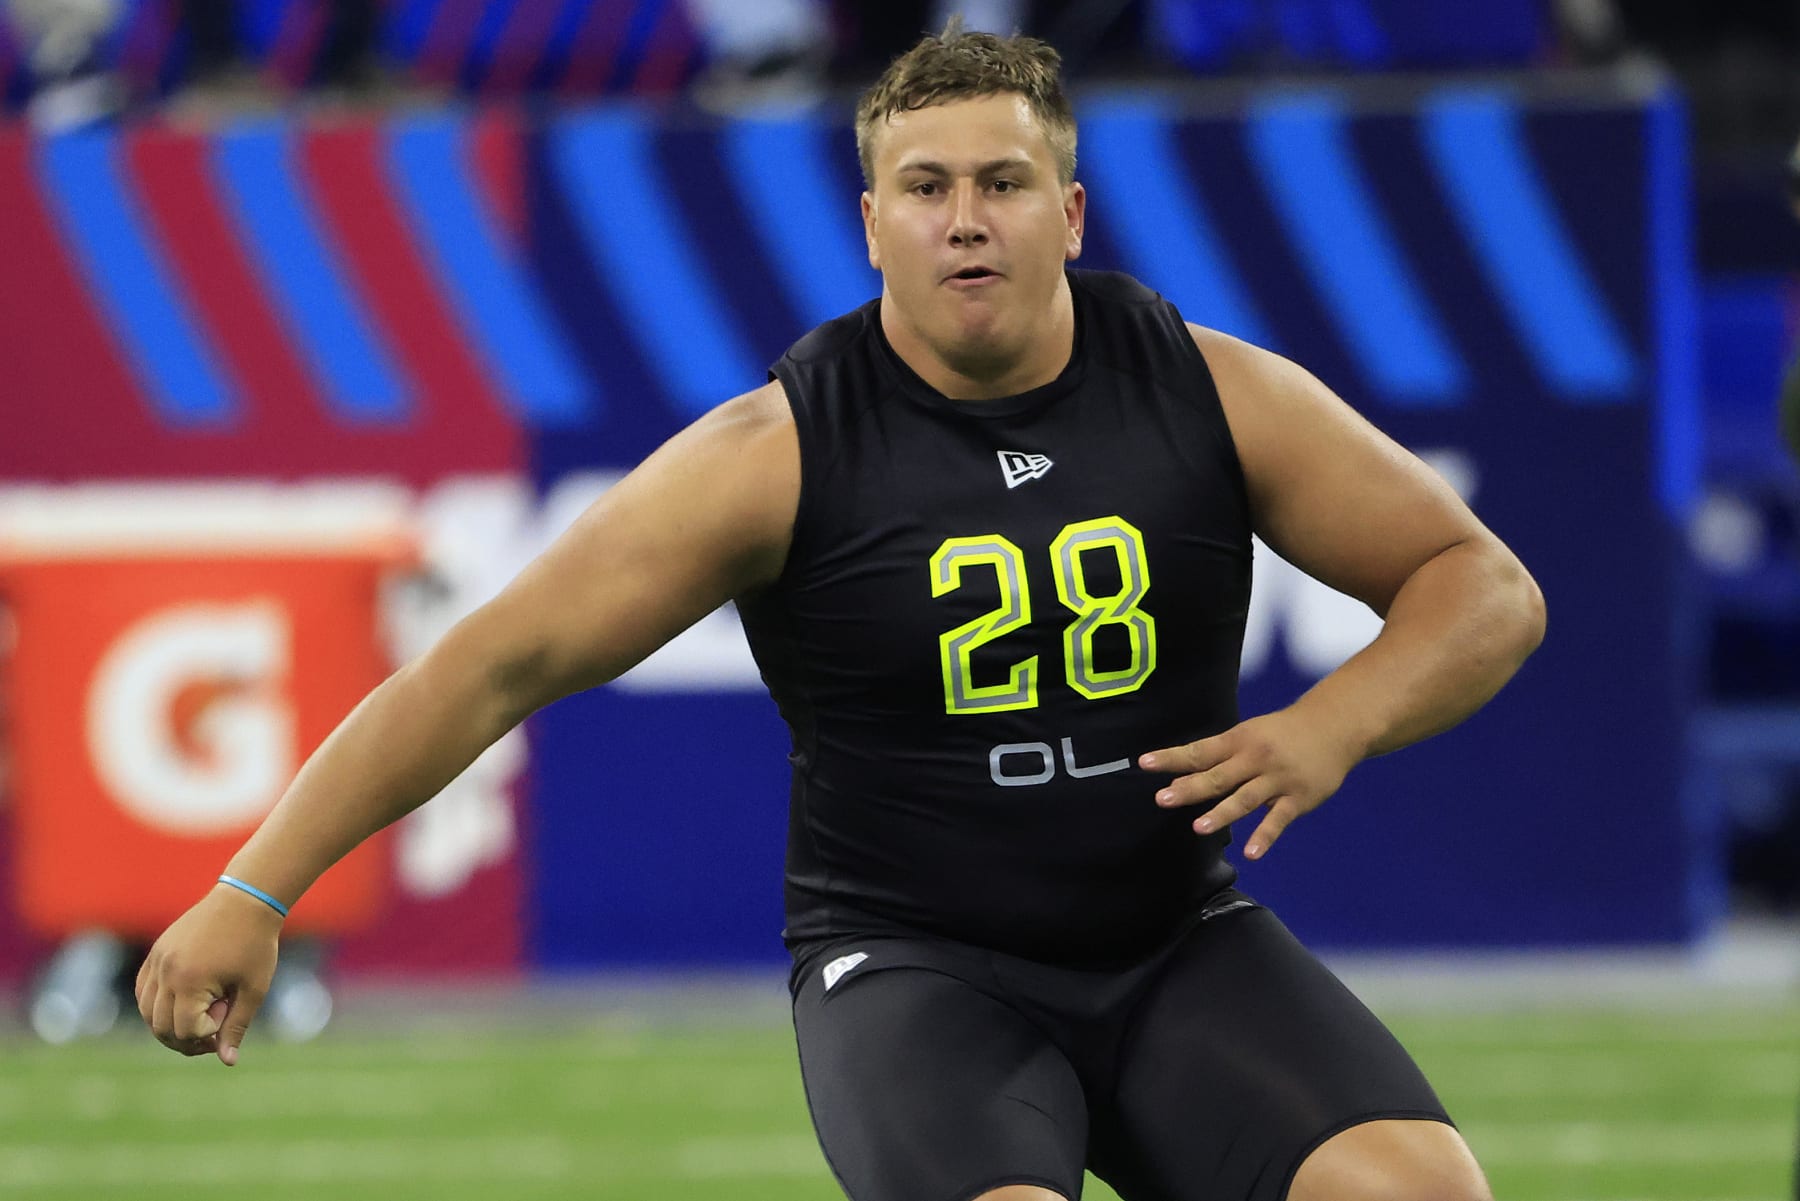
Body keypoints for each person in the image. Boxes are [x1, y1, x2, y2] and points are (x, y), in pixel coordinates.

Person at [136, 23, 1545, 1201]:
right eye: (926, 186)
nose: (966, 216)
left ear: (1070, 211)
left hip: (1174, 938)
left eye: (1004, 181)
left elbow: (1482, 585)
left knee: (1425, 1190)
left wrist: (1333, 723)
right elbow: (490, 665)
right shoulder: (780, 451)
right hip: (923, 971)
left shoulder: (1208, 387)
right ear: (874, 224)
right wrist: (255, 886)